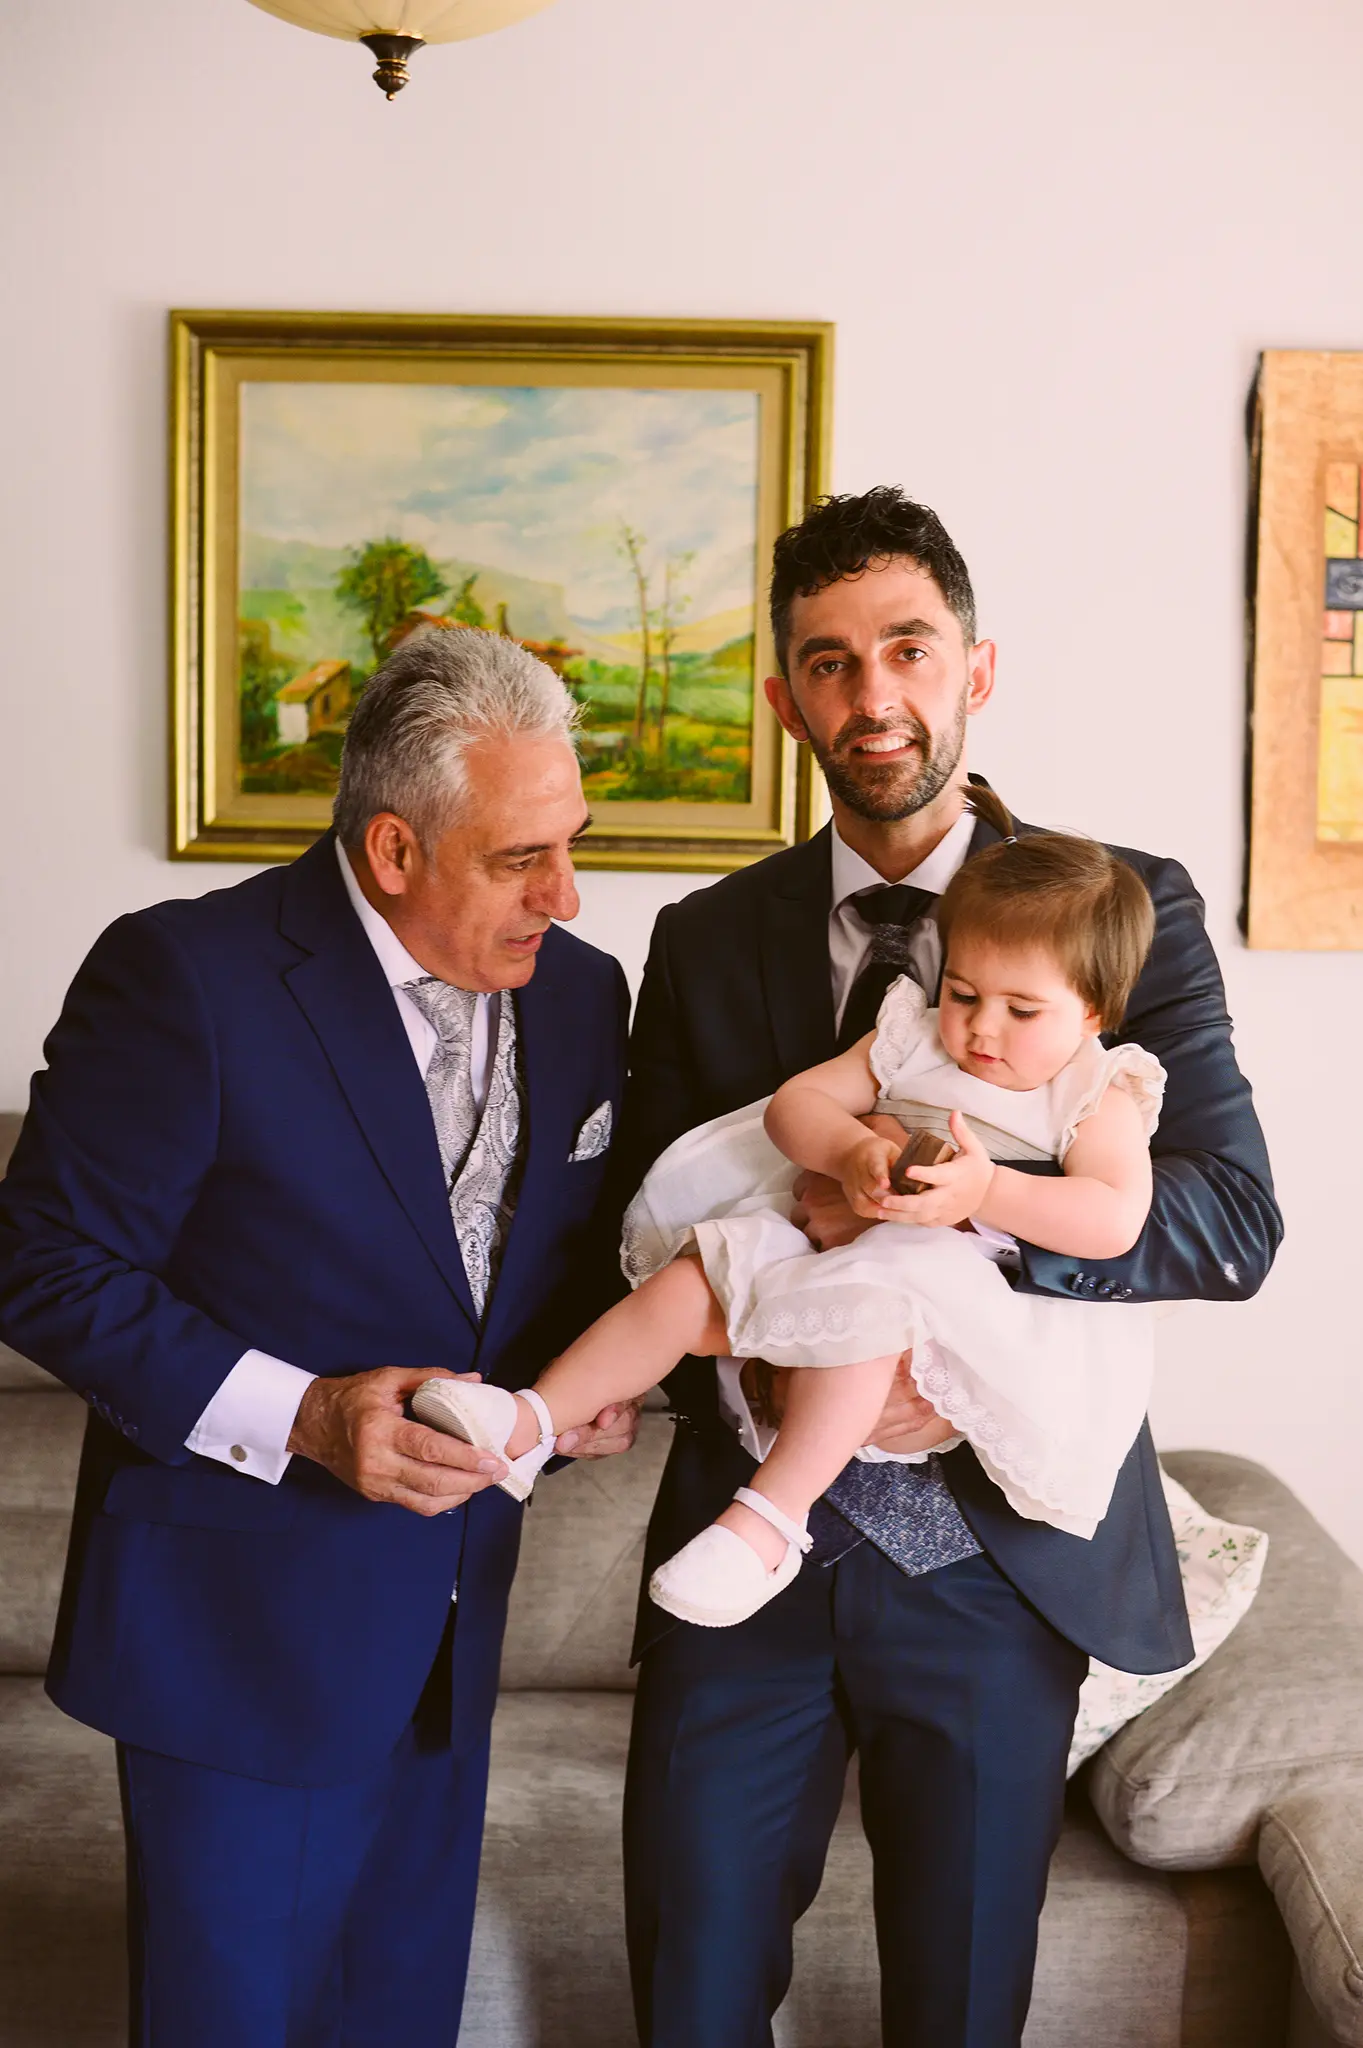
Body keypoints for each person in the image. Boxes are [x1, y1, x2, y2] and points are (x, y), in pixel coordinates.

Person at [618, 487, 1283, 2048]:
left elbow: (1225, 1219)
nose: (873, 696)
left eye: (907, 649)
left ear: (973, 669)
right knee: (688, 1992)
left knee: (959, 2005)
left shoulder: (1125, 906)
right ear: (784, 699)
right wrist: (767, 1352)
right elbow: (637, 1223)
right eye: (829, 662)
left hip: (999, 1554)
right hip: (748, 1527)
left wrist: (960, 1293)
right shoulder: (704, 938)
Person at [0, 629, 635, 2047]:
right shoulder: (186, 976)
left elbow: (538, 1265)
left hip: (452, 1633)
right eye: (521, 859)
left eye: (572, 845)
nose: (566, 893)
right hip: (236, 1643)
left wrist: (580, 1387)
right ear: (395, 848)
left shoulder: (583, 992)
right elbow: (41, 1262)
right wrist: (300, 1414)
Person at [418, 814, 1166, 1631]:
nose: (981, 1027)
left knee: (869, 1306)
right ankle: (531, 1419)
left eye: (1020, 1010)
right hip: (830, 1242)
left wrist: (984, 1191)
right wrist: (850, 1149)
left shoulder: (1093, 1092)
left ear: (1091, 1012)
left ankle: (768, 1522)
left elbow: (1112, 1220)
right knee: (698, 1274)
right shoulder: (912, 1038)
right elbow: (795, 1106)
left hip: (947, 1299)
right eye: (962, 993)